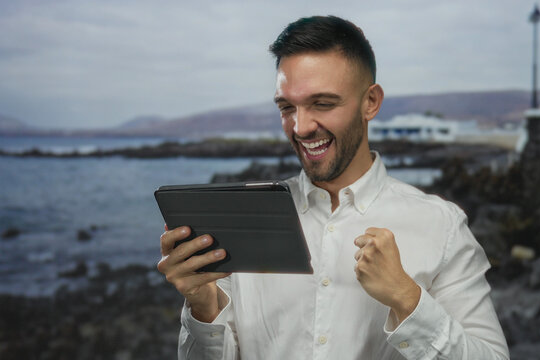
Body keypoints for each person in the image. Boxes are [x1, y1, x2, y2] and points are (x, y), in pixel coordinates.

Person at [157, 15, 509, 360]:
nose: (301, 126)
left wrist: (407, 299)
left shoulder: (442, 226)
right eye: (286, 107)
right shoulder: (240, 223)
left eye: (322, 104)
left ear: (370, 102)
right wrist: (204, 307)